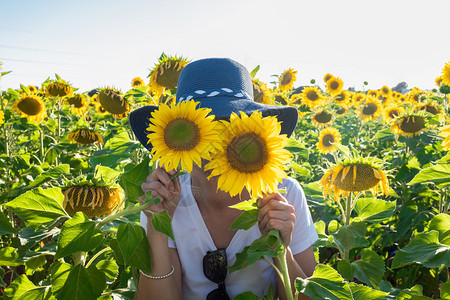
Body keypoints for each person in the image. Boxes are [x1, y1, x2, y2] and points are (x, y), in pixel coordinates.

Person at [129, 58, 318, 300]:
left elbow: (309, 294)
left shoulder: (285, 195)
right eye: (201, 130)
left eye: (228, 128)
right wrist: (157, 229)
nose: (216, 145)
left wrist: (280, 250)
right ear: (177, 139)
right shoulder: (164, 198)